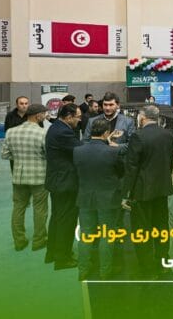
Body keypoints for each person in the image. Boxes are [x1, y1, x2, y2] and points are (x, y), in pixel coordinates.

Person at [122, 105, 173, 279]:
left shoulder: (138, 136)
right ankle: (162, 261)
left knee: (142, 230)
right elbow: (170, 162)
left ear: (142, 117)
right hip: (162, 188)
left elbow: (132, 167)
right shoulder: (167, 134)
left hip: (142, 191)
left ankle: (147, 268)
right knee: (161, 227)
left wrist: (126, 193)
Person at [74, 119, 124, 280]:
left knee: (86, 235)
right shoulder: (113, 152)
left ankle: (83, 269)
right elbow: (121, 172)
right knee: (107, 235)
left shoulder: (78, 151)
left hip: (85, 197)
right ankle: (105, 271)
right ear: (106, 133)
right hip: (108, 198)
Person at [1, 104, 49, 252]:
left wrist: (20, 158)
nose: (45, 116)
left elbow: (4, 154)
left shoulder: (11, 132)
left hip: (19, 177)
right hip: (39, 177)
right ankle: (39, 241)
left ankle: (19, 241)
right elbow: (48, 154)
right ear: (38, 116)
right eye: (44, 114)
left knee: (18, 208)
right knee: (40, 209)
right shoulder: (43, 133)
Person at [44, 103, 83, 270]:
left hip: (57, 181)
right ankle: (63, 258)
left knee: (57, 218)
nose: (79, 120)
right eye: (78, 117)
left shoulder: (56, 128)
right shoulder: (63, 132)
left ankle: (53, 253)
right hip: (65, 183)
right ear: (68, 117)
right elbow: (80, 150)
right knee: (67, 221)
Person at [4, 96, 30, 171]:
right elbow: (7, 131)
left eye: (26, 103)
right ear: (17, 105)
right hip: (15, 148)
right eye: (21, 103)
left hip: (29, 147)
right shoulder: (10, 116)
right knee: (15, 169)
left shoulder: (31, 115)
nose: (24, 106)